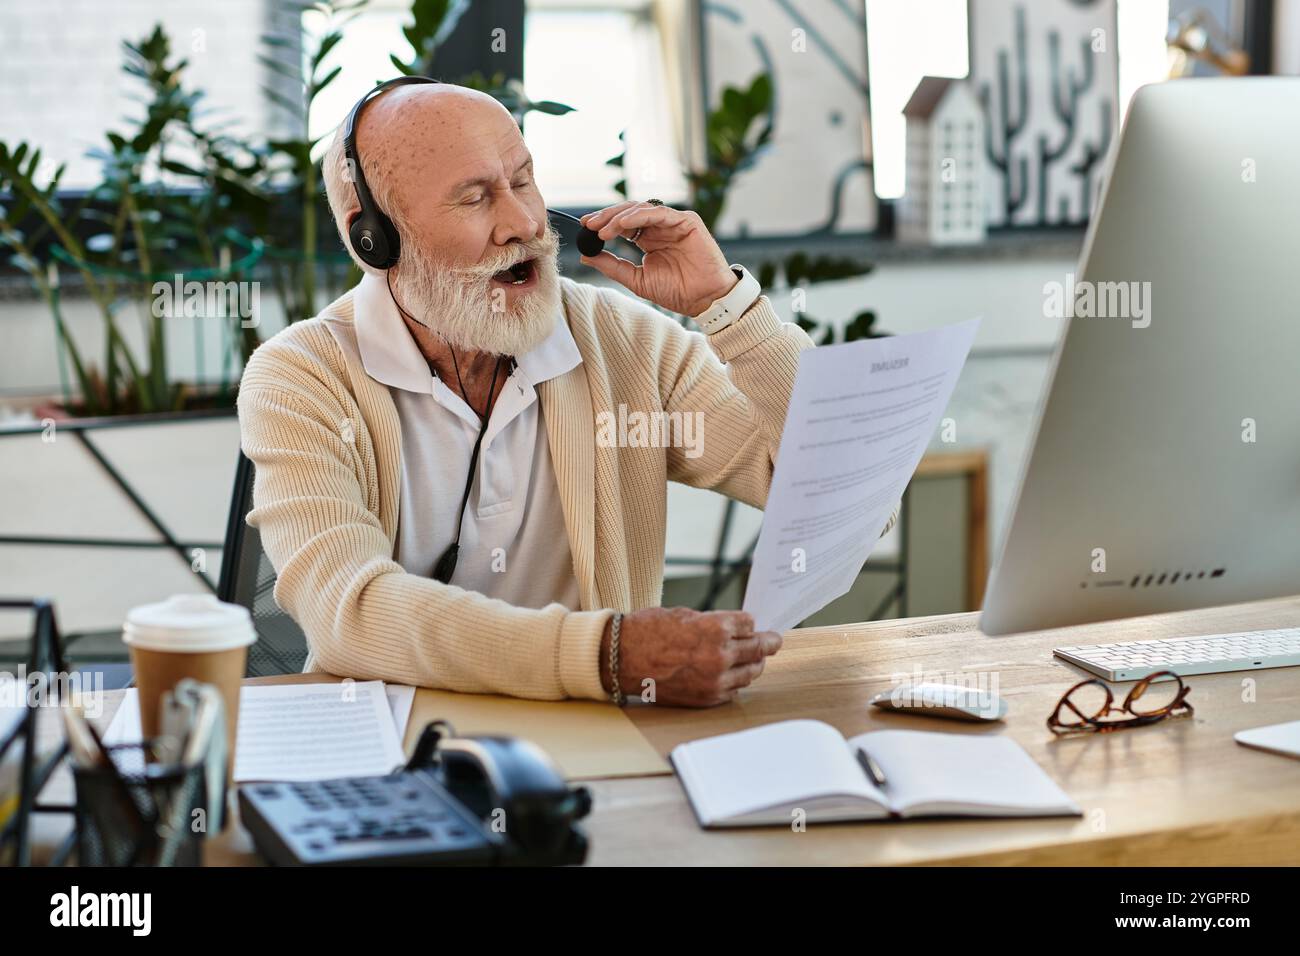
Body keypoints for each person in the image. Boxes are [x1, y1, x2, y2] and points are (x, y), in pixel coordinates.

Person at [237, 80, 895, 707]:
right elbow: (347, 613)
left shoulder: (626, 342)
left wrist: (726, 306)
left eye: (523, 180)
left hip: (594, 742)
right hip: (389, 752)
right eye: (474, 198)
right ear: (371, 235)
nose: (524, 221)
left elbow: (850, 502)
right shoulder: (301, 377)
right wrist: (605, 656)